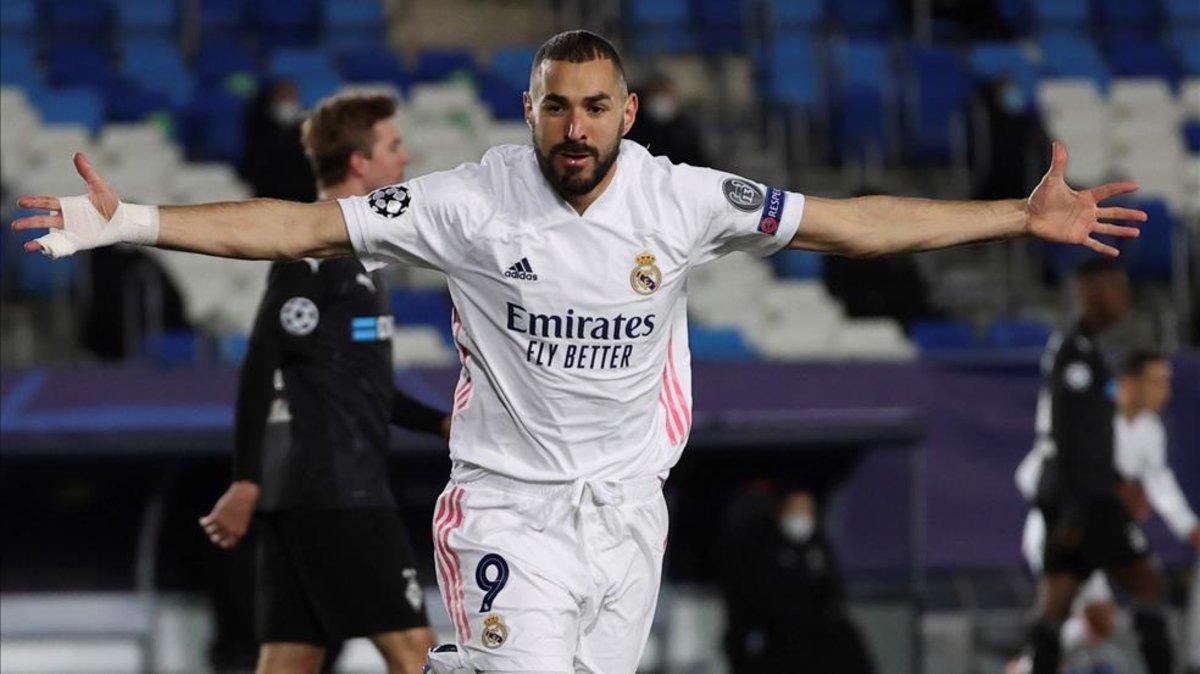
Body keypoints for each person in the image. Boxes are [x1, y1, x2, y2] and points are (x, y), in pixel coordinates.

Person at [13, 29, 1149, 674]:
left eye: (596, 108)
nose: (575, 128)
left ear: (628, 111)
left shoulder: (682, 199)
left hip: (629, 514)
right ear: (529, 109)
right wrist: (134, 221)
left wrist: (1016, 215)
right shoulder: (471, 203)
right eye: (557, 108)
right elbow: (298, 227)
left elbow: (852, 221)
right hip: (508, 509)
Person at [198, 91, 446, 674]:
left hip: (307, 497)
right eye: (393, 146)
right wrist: (245, 480)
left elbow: (359, 384)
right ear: (360, 162)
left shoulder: (357, 257)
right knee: (417, 654)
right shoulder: (315, 257)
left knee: (289, 660)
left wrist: (439, 422)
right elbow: (263, 362)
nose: (405, 158)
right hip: (340, 494)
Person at [1015, 261, 1178, 674]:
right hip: (1084, 498)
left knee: (1056, 603)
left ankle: (1036, 665)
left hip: (1078, 494)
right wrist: (1076, 508)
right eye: (1116, 288)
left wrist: (1118, 481)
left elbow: (1089, 435)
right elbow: (1070, 435)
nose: (1125, 298)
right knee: (1147, 584)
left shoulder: (1086, 349)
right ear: (1089, 291)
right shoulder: (1075, 353)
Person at [719, 487, 875, 674]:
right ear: (781, 513)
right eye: (795, 510)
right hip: (777, 638)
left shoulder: (820, 549)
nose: (801, 518)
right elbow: (757, 601)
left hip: (818, 638)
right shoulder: (764, 553)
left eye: (806, 511)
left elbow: (833, 591)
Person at [624, 73, 709, 167]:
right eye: (657, 93)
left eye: (665, 94)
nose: (661, 100)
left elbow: (698, 163)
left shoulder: (684, 131)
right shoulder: (632, 126)